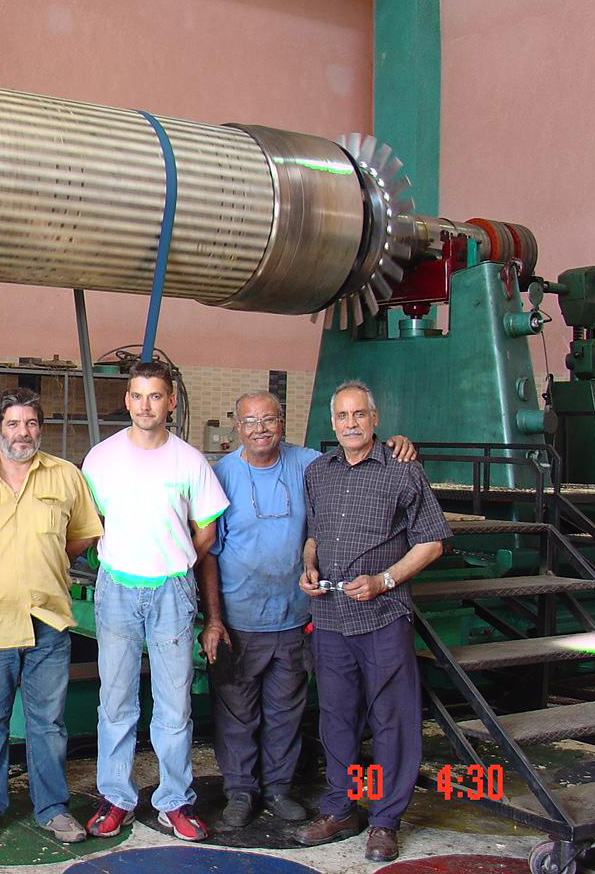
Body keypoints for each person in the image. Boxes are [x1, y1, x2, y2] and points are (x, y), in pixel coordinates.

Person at [201, 391, 416, 829]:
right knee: (237, 714)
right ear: (237, 426)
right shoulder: (219, 476)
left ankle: (278, 789)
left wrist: (396, 443)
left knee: (286, 712)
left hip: (297, 616)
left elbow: (356, 454)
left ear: (282, 422)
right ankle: (240, 791)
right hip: (240, 619)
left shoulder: (309, 466)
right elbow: (208, 555)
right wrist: (214, 619)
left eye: (269, 419)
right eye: (250, 421)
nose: (260, 429)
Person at [293, 380, 449, 863]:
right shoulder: (318, 472)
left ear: (374, 419)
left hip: (382, 615)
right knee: (337, 717)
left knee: (391, 720)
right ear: (333, 422)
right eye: (342, 416)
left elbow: (433, 541)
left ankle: (385, 820)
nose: (351, 423)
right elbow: (314, 536)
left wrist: (384, 580)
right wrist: (308, 567)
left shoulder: (403, 469)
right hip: (330, 615)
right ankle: (340, 808)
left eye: (359, 414)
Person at [80, 360, 229, 842]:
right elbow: (92, 522)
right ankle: (116, 798)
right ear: (127, 401)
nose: (146, 405)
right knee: (115, 702)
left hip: (171, 591)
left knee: (174, 705)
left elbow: (206, 530)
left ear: (171, 401)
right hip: (116, 589)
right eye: (138, 396)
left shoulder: (189, 461)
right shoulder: (101, 458)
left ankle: (174, 801)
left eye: (156, 396)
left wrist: (177, 560)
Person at [0, 387, 104, 844]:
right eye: (14, 423)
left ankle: (52, 808)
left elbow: (83, 534)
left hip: (49, 621)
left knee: (49, 724)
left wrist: (47, 562)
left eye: (32, 423)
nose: (23, 432)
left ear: (41, 429)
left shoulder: (65, 476)